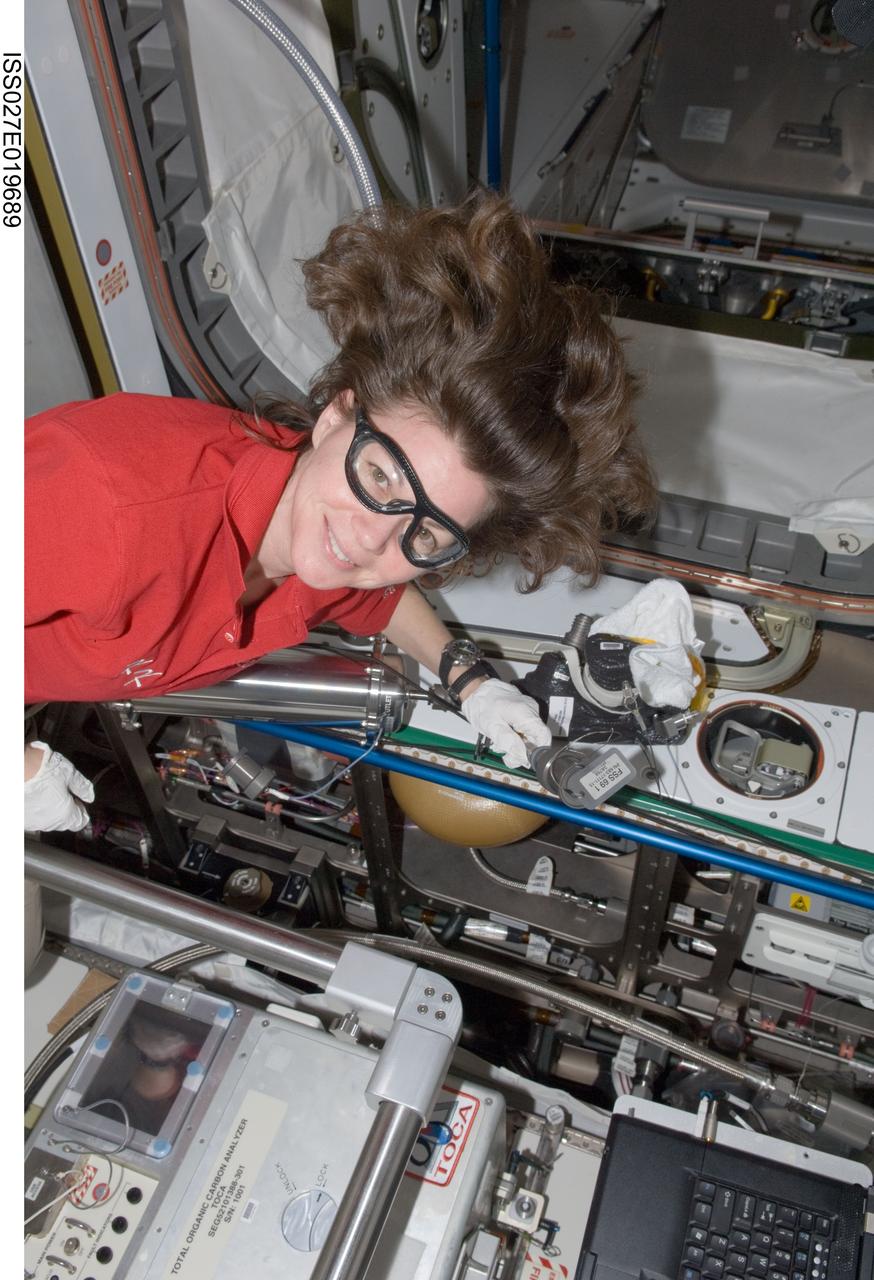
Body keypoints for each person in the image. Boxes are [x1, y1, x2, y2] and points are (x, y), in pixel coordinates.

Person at [25, 189, 656, 831]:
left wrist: (472, 685)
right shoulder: (112, 508)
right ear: (336, 415)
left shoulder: (315, 541)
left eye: (427, 532)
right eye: (381, 476)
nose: (370, 538)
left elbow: (376, 598)